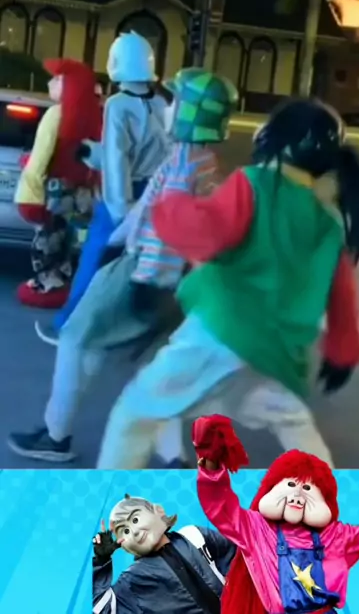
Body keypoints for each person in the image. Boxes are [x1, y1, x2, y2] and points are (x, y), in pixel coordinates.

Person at [95, 97, 359, 471]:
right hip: (275, 352)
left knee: (135, 414)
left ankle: (106, 501)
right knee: (291, 422)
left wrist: (174, 197)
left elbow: (205, 234)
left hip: (218, 333)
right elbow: (343, 299)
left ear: (278, 139)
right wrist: (343, 354)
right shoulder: (328, 225)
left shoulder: (253, 184)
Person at [8, 68, 238, 465]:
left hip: (145, 272)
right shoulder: (202, 161)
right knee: (152, 366)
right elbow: (147, 211)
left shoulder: (183, 166)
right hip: (173, 278)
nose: (169, 107)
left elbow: (166, 229)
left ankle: (55, 436)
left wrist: (145, 280)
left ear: (191, 112)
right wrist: (112, 244)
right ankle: (175, 458)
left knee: (76, 338)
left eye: (176, 101)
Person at [35, 30, 170, 346]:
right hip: (154, 194)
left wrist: (119, 206)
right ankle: (126, 328)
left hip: (121, 195)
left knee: (94, 260)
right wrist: (92, 153)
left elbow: (117, 158)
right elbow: (153, 151)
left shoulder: (118, 104)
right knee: (138, 264)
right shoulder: (161, 102)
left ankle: (69, 327)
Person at [193, 415, 359, 614]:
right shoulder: (256, 528)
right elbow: (220, 506)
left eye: (307, 488)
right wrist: (212, 466)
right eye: (291, 484)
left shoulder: (337, 535)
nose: (297, 495)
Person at [15, 58, 102, 309]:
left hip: (53, 193)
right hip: (81, 195)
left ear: (69, 86)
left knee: (47, 242)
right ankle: (67, 287)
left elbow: (40, 159)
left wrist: (30, 193)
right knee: (70, 243)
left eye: (57, 79)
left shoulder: (55, 114)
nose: (50, 83)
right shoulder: (94, 116)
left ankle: (47, 288)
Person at [93, 493, 236, 614]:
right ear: (124, 546)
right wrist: (101, 561)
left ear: (158, 511)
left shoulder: (194, 535)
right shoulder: (134, 578)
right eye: (126, 531)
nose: (135, 532)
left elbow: (238, 560)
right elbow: (104, 609)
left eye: (135, 519)